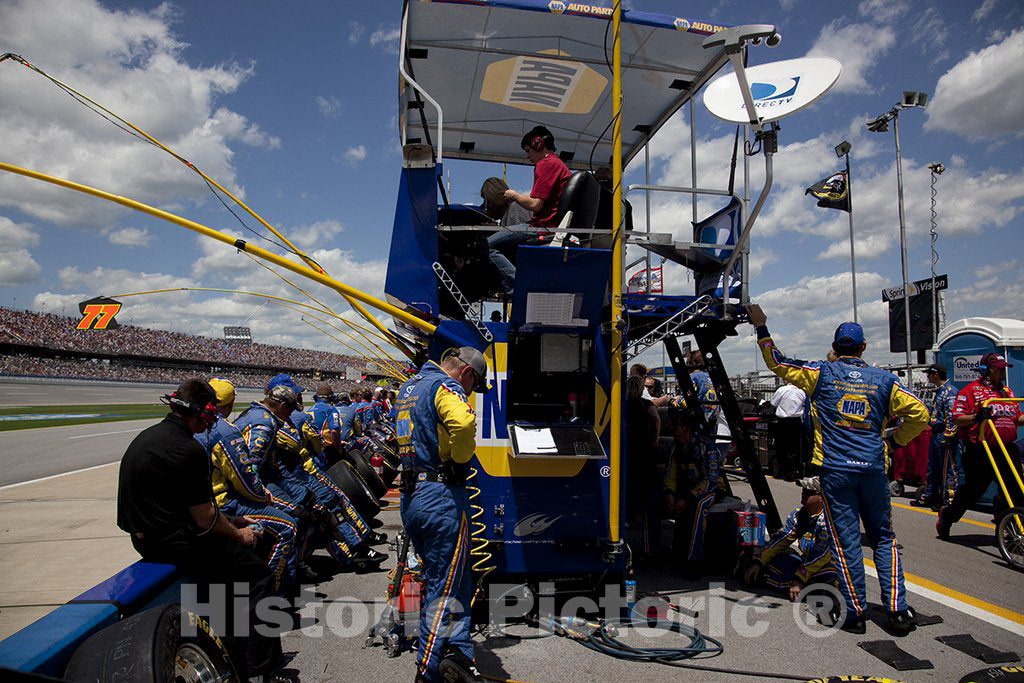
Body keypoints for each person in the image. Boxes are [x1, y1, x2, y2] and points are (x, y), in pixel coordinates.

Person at [747, 305, 928, 634]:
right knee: (884, 539)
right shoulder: (885, 380)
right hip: (873, 468)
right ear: (863, 347)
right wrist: (896, 441)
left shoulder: (821, 373)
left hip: (837, 470)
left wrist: (762, 328)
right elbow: (920, 414)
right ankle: (898, 611)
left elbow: (777, 363)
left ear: (836, 346)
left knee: (846, 543)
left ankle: (855, 612)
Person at [116, 379, 289, 680]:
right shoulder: (188, 448)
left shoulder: (148, 437)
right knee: (259, 575)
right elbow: (203, 519)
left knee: (228, 578)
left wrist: (230, 521)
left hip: (146, 537)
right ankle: (261, 670)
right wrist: (238, 533)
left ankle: (234, 650)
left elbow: (190, 508)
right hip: (176, 541)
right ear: (203, 413)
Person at [395, 347, 488, 683]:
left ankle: (460, 654)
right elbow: (463, 422)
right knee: (443, 588)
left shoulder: (409, 387)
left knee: (456, 579)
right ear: (465, 373)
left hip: (413, 496)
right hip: (441, 496)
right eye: (474, 385)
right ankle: (428, 670)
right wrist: (460, 461)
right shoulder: (444, 387)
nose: (472, 392)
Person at [197, 378, 300, 595]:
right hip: (223, 505)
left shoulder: (196, 426)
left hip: (200, 506)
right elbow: (246, 476)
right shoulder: (225, 430)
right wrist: (264, 497)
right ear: (228, 403)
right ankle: (276, 594)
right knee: (288, 525)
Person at [937, 352, 1024, 538]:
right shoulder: (970, 390)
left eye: (1003, 369)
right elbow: (957, 418)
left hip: (1007, 447)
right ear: (985, 370)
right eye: (998, 369)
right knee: (974, 491)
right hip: (980, 448)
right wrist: (976, 417)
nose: (1002, 373)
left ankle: (1010, 529)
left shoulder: (1006, 392)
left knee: (1015, 488)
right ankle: (947, 516)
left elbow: (1017, 417)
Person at [486, 125, 571, 295]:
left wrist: (514, 195)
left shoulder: (546, 164)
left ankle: (518, 285)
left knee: (486, 245)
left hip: (542, 227)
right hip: (550, 226)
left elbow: (535, 205)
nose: (528, 156)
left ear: (538, 145)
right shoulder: (557, 164)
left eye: (528, 150)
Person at [744, 476, 836, 602]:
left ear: (822, 497)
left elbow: (821, 554)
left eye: (808, 492)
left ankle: (792, 585)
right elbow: (779, 541)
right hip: (807, 566)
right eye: (803, 490)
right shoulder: (799, 516)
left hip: (828, 569)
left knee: (824, 576)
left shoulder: (830, 521)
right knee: (781, 556)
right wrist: (758, 562)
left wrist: (800, 578)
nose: (803, 494)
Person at [662, 406, 721, 579]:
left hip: (711, 490)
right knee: (658, 499)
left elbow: (711, 480)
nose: (672, 428)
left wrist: (687, 498)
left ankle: (694, 561)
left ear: (686, 428)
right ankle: (674, 552)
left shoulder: (706, 447)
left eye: (676, 425)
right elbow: (670, 473)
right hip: (686, 490)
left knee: (698, 506)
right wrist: (669, 493)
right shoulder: (676, 448)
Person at [912, 364, 961, 509]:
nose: (927, 377)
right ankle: (930, 497)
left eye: (929, 374)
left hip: (945, 436)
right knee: (933, 468)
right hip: (936, 434)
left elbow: (953, 416)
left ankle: (949, 502)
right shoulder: (939, 391)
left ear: (935, 374)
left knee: (948, 470)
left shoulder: (950, 392)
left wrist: (949, 435)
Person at [625, 375, 660, 554]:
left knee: (628, 483)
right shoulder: (645, 404)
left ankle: (628, 515)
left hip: (626, 450)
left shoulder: (622, 403)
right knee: (646, 487)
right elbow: (655, 418)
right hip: (643, 449)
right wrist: (655, 437)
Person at [770, 382, 807, 480]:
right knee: (794, 448)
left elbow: (773, 403)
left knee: (781, 447)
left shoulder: (782, 390)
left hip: (782, 421)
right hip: (796, 421)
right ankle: (792, 473)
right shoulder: (801, 392)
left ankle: (781, 472)